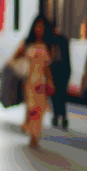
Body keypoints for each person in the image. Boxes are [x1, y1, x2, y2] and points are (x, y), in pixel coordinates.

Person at [10, 15, 57, 147]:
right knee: (31, 108)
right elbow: (15, 57)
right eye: (37, 26)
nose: (39, 29)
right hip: (29, 81)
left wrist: (50, 82)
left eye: (42, 27)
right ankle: (29, 128)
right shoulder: (27, 43)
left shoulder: (48, 45)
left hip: (41, 82)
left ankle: (34, 134)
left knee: (39, 109)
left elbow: (47, 67)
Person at [49, 23, 71, 130]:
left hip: (61, 71)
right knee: (55, 96)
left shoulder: (62, 40)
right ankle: (57, 116)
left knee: (61, 95)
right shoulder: (52, 40)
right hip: (54, 71)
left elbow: (67, 59)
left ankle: (62, 117)